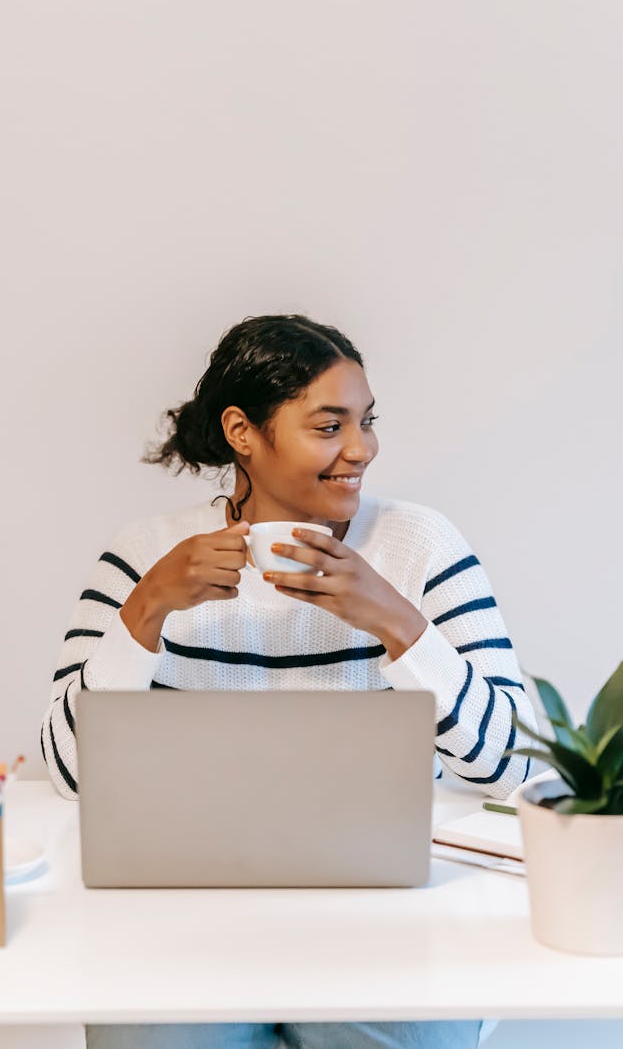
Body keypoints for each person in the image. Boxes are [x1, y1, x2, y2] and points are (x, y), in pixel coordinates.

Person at [42, 313, 536, 1049]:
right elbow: (66, 770)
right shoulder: (144, 554)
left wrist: (400, 624)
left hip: (385, 917)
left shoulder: (418, 548)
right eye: (328, 425)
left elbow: (513, 764)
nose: (361, 450)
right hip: (180, 914)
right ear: (244, 431)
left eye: (366, 422)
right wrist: (146, 610)